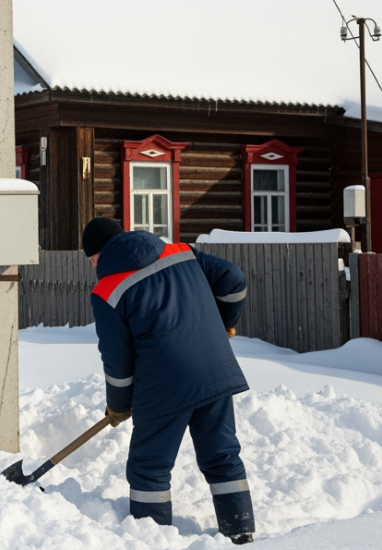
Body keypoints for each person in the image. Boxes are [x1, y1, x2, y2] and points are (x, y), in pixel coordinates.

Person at [84, 216, 256, 544]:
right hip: (216, 369)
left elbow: (118, 364)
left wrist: (118, 406)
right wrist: (224, 325)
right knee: (222, 456)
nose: (92, 265)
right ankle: (242, 534)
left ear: (99, 253)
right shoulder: (180, 252)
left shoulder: (107, 290)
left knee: (149, 467)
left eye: (91, 258)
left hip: (164, 385)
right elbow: (234, 280)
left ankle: (153, 541)